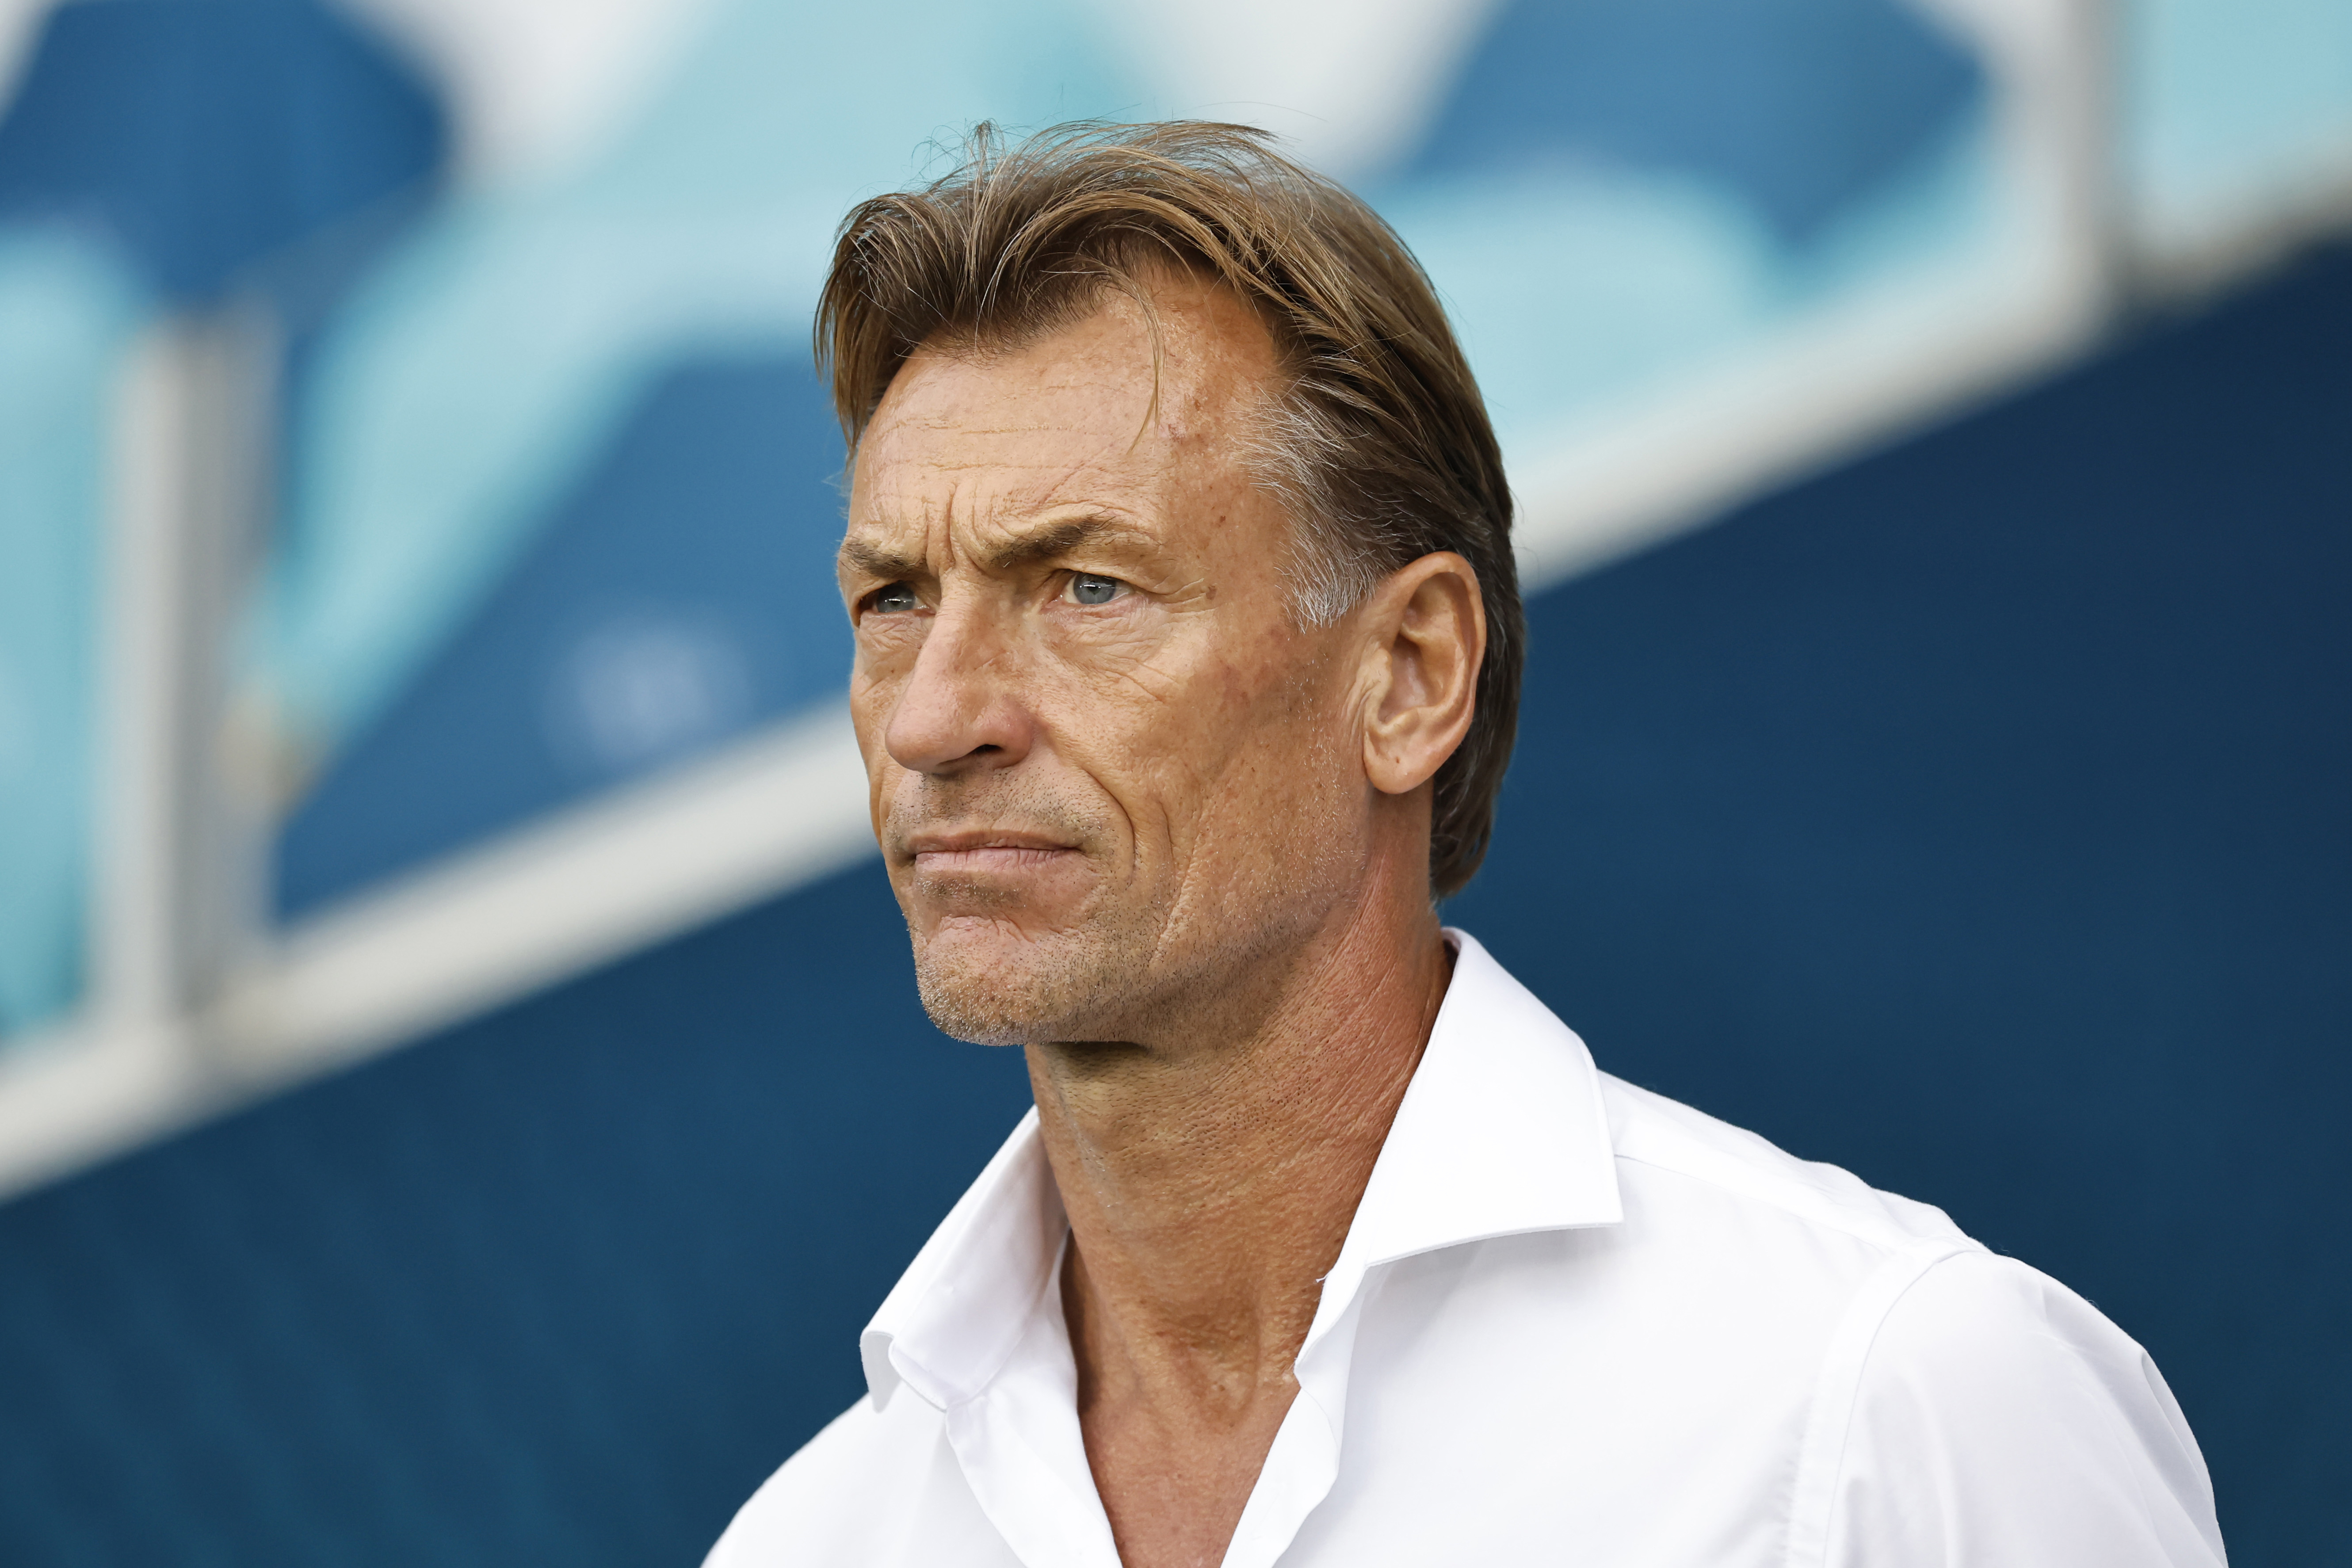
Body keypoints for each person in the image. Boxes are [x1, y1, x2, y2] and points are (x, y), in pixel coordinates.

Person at [705, 122, 2225, 1568]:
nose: (935, 718)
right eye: (895, 598)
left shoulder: (1896, 1400)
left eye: (1089, 587)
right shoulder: (814, 1537)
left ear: (1415, 672)